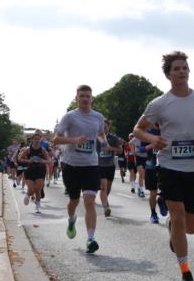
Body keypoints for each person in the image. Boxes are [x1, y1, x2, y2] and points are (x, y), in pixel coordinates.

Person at [134, 51, 194, 281]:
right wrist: (153, 137)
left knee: (190, 227)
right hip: (169, 167)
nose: (182, 71)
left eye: (185, 68)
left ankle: (173, 227)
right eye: (177, 68)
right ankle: (185, 273)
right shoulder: (159, 103)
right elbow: (138, 129)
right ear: (168, 74)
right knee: (179, 215)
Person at [52, 85, 105, 254]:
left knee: (90, 201)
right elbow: (55, 139)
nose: (84, 99)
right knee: (74, 201)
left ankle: (90, 239)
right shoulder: (69, 117)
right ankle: (71, 219)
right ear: (76, 98)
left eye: (87, 96)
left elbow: (101, 133)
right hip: (71, 165)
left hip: (91, 164)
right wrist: (75, 140)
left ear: (92, 98)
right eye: (81, 96)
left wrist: (103, 141)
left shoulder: (98, 117)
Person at [18, 131, 51, 214]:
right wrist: (29, 160)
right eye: (35, 139)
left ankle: (37, 205)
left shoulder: (42, 150)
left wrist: (42, 160)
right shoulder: (28, 150)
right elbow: (20, 159)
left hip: (40, 170)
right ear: (32, 140)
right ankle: (28, 195)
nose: (36, 140)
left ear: (40, 140)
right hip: (30, 170)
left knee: (38, 189)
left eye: (38, 139)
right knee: (31, 190)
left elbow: (49, 160)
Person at [97, 122, 123, 218]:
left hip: (110, 165)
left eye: (105, 127)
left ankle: (105, 200)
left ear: (108, 127)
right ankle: (105, 208)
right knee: (103, 186)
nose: (104, 128)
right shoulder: (97, 137)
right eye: (102, 127)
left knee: (108, 188)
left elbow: (120, 150)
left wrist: (111, 148)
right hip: (99, 164)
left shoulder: (113, 138)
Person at [144, 123, 167, 224]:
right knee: (153, 192)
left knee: (169, 190)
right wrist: (151, 145)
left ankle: (162, 200)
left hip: (165, 166)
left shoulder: (167, 131)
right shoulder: (147, 133)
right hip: (151, 166)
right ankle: (153, 214)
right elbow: (140, 149)